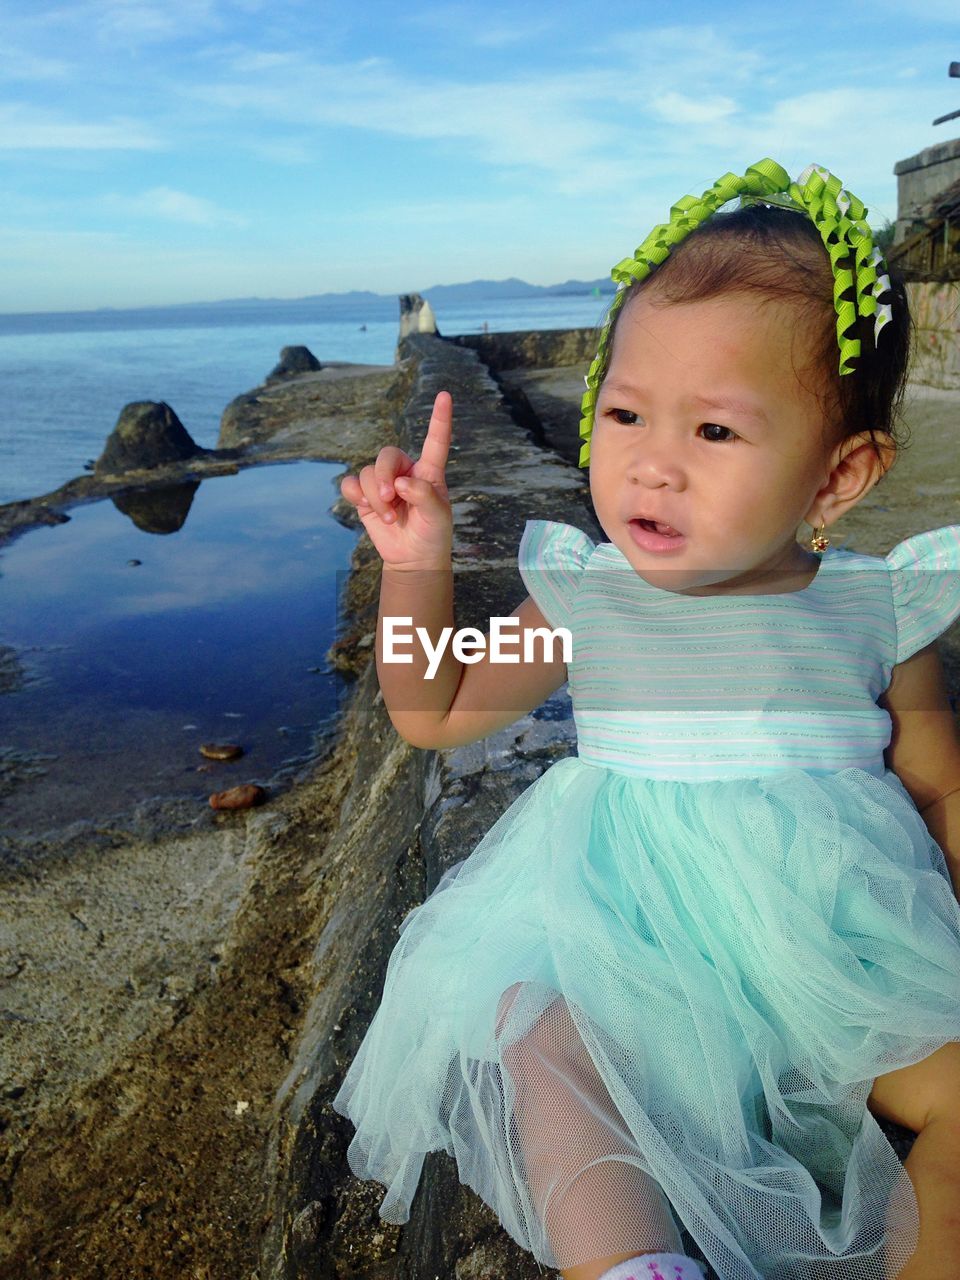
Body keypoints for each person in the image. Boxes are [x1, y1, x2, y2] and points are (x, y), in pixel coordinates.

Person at [331, 159, 960, 1280]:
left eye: (715, 431)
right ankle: (627, 1263)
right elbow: (434, 704)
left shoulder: (879, 602)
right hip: (638, 954)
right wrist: (417, 560)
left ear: (839, 475)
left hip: (837, 957)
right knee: (546, 1038)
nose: (652, 463)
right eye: (622, 411)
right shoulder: (590, 592)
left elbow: (938, 782)